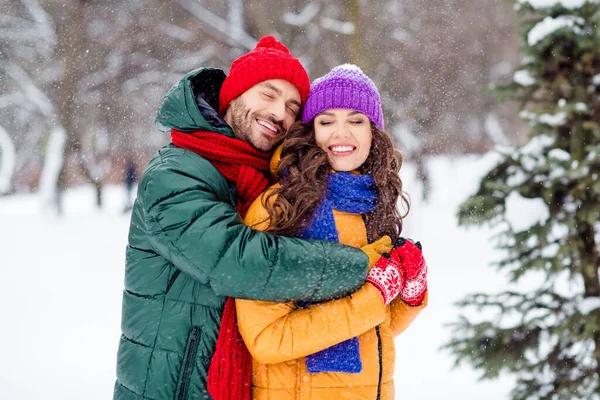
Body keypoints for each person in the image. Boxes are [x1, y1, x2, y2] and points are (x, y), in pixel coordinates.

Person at [113, 38, 396, 400]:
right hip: (173, 388)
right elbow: (240, 262)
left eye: (293, 106)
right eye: (269, 94)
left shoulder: (274, 181)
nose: (280, 112)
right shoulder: (175, 174)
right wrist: (364, 269)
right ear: (234, 95)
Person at [236, 64, 429, 400]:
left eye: (356, 120)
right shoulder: (279, 210)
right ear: (310, 132)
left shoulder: (369, 204)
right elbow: (268, 338)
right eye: (327, 122)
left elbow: (369, 331)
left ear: (374, 132)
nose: (342, 133)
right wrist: (374, 294)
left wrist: (409, 298)